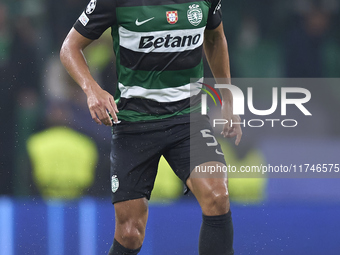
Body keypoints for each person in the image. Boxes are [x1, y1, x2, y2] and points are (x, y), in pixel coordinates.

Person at [60, 0, 242, 254]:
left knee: (218, 196)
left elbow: (215, 38)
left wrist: (228, 97)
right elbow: (70, 47)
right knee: (130, 233)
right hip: (135, 123)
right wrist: (92, 90)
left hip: (187, 117)